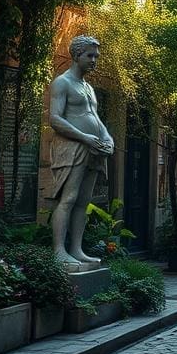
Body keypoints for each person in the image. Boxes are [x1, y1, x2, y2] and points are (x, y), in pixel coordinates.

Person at [49, 35, 115, 267]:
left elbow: (95, 118)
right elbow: (55, 119)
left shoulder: (88, 87)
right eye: (90, 55)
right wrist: (85, 137)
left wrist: (107, 138)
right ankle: (58, 251)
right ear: (76, 56)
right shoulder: (62, 82)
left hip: (94, 149)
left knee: (83, 201)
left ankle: (76, 249)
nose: (95, 60)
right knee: (68, 198)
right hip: (73, 148)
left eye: (96, 56)